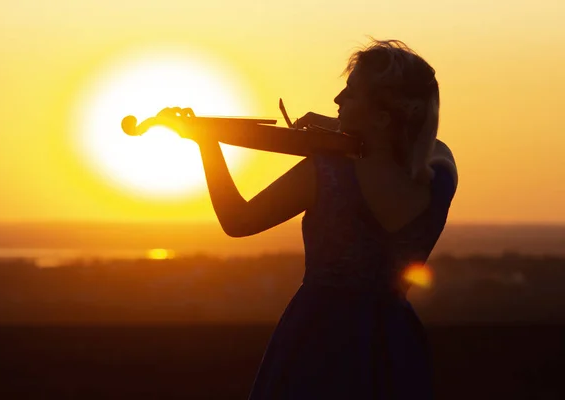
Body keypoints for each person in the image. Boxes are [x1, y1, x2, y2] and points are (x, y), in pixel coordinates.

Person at [193, 39, 458, 399]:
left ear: (380, 116)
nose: (337, 101)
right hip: (394, 341)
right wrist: (341, 129)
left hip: (316, 338)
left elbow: (237, 221)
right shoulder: (441, 174)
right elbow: (409, 141)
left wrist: (205, 142)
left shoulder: (327, 174)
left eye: (350, 94)